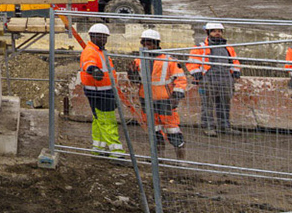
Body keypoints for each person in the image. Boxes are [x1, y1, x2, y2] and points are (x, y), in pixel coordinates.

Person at [132, 27, 189, 157]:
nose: (147, 45)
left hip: (165, 101)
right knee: (154, 132)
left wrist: (176, 96)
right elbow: (137, 81)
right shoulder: (138, 60)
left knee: (173, 132)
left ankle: (182, 162)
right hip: (146, 101)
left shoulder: (169, 60)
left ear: (157, 43)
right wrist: (132, 74)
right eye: (145, 42)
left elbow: (181, 79)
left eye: (150, 42)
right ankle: (158, 160)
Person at [186, 22, 240, 136]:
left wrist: (236, 71)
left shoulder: (228, 47)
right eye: (214, 31)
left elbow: (234, 60)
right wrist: (197, 74)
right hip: (208, 78)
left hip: (225, 78)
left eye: (219, 31)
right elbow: (192, 62)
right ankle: (208, 127)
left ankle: (225, 126)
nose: (217, 33)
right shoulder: (201, 47)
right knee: (207, 104)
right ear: (208, 33)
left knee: (225, 104)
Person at [78, 22, 122, 157]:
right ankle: (116, 151)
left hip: (103, 90)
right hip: (99, 91)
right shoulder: (91, 51)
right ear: (92, 36)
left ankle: (98, 147)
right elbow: (88, 63)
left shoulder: (100, 51)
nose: (103, 40)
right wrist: (93, 70)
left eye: (105, 37)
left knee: (99, 119)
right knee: (108, 121)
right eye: (100, 37)